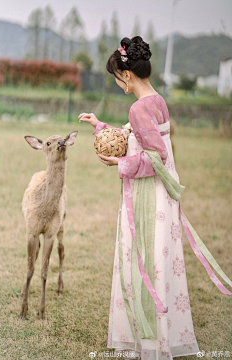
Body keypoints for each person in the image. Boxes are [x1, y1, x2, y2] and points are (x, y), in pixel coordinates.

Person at [78, 36, 231, 360]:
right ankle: (153, 337)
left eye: (117, 77)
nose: (118, 82)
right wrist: (100, 126)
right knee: (158, 264)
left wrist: (120, 164)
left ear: (128, 75)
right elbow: (137, 139)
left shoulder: (138, 108)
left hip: (149, 201)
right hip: (162, 199)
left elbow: (155, 157)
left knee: (143, 261)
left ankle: (147, 342)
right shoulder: (158, 101)